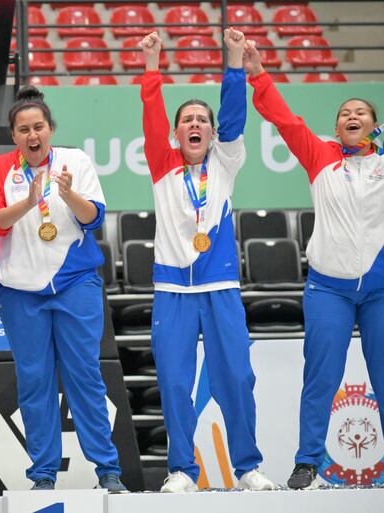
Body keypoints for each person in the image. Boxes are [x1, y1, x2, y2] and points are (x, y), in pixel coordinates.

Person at [244, 41, 384, 490]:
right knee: (320, 379)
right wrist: (259, 73)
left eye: (361, 112)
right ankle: (307, 461)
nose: (353, 116)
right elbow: (284, 118)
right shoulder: (319, 155)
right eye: (345, 113)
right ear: (337, 126)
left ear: (375, 125)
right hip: (328, 291)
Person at [138, 29, 274, 493]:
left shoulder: (225, 161)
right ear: (177, 134)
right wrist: (152, 65)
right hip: (173, 291)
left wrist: (234, 61)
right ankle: (180, 469)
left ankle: (248, 466)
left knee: (236, 377)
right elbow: (152, 118)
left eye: (202, 119)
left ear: (212, 132)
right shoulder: (162, 163)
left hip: (220, 289)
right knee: (175, 384)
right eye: (186, 120)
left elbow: (235, 114)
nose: (194, 124)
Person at [0, 86, 127, 493]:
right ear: (14, 136)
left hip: (74, 284)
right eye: (23, 129)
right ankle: (43, 473)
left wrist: (67, 193)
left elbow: (94, 218)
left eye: (38, 127)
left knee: (86, 377)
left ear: (50, 129)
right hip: (20, 291)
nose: (32, 136)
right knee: (35, 381)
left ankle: (107, 469)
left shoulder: (74, 161)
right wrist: (28, 201)